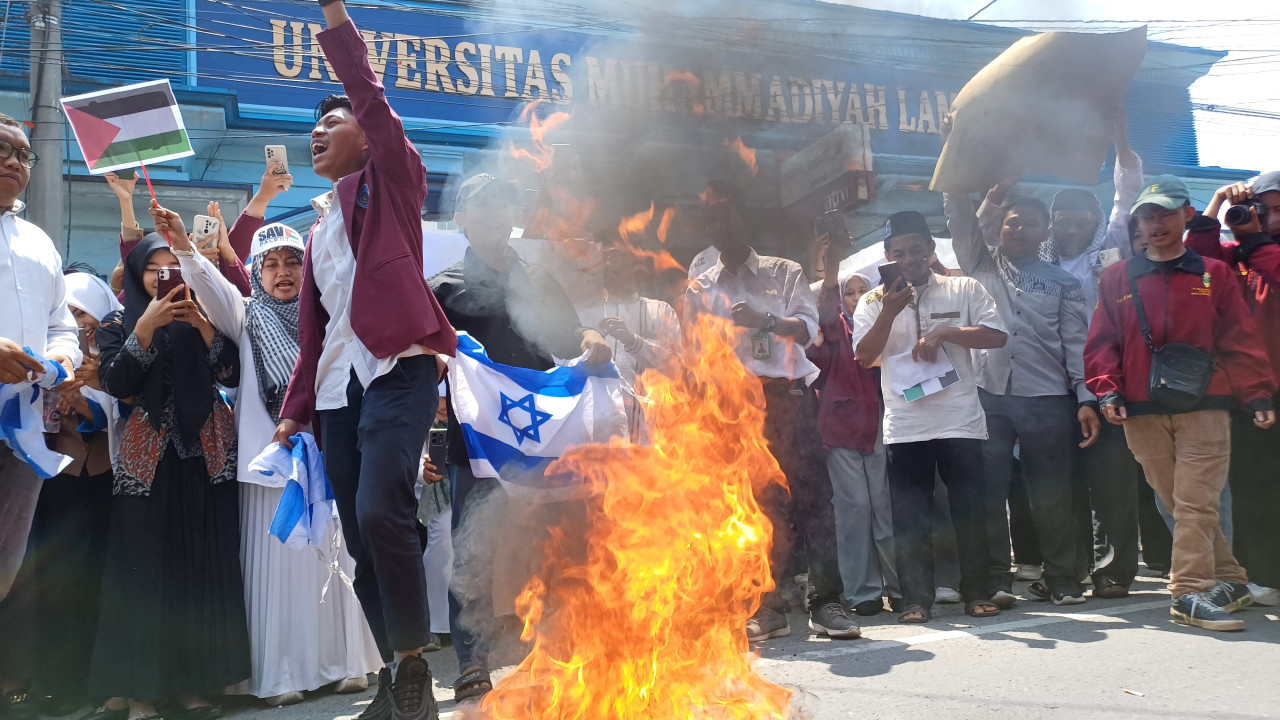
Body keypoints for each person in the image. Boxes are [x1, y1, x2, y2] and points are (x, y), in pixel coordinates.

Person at [267, 3, 460, 719]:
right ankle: (396, 675)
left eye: (332, 122)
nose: (318, 132)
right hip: (336, 394)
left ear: (366, 137)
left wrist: (332, 14)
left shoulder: (394, 184)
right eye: (313, 127)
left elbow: (373, 100)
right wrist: (293, 413)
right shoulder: (318, 230)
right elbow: (315, 335)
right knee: (357, 535)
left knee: (385, 508)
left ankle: (413, 666)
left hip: (401, 371)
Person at [172, 213, 383, 706]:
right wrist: (186, 248)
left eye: (293, 261)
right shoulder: (245, 316)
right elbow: (209, 285)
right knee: (280, 573)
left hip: (329, 459)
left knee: (333, 561)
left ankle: (346, 664)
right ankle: (281, 676)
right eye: (271, 265)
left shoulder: (329, 322)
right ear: (257, 272)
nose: (283, 272)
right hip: (272, 470)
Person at [429, 172, 611, 704]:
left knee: (554, 540)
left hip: (541, 440)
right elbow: (424, 365)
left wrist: (590, 336)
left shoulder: (537, 279)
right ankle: (473, 661)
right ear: (461, 218)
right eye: (480, 208)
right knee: (472, 553)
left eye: (502, 206)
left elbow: (565, 336)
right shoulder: (443, 288)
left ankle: (560, 647)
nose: (492, 217)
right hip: (478, 442)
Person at [1084, 175, 1277, 632]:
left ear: (1187, 215)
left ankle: (1187, 593)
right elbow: (1102, 340)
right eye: (1148, 216)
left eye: (1166, 214)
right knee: (1177, 501)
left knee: (1195, 500)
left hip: (1208, 403)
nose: (1156, 224)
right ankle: (1230, 577)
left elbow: (1238, 338)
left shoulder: (1215, 273)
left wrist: (1256, 392)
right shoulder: (1117, 277)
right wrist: (1106, 387)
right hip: (1139, 406)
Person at [685, 182, 860, 641]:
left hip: (787, 399)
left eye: (730, 218)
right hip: (734, 410)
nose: (722, 227)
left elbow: (807, 332)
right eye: (713, 221)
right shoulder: (700, 286)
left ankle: (826, 604)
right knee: (755, 508)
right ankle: (767, 606)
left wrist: (762, 321)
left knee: (814, 502)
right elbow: (694, 354)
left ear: (746, 224)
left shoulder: (783, 271)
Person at [86, 225, 249, 720]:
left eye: (169, 266)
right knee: (142, 573)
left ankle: (193, 685)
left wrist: (202, 328)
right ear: (139, 275)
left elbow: (232, 374)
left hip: (205, 453)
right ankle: (141, 692)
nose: (163, 275)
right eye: (154, 269)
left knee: (198, 566)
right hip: (145, 460)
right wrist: (145, 329)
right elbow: (116, 381)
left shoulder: (206, 316)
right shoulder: (120, 321)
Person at [851, 211, 1007, 624]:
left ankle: (978, 592)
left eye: (916, 250)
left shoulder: (963, 288)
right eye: (898, 253)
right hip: (906, 426)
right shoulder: (870, 302)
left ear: (930, 250)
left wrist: (947, 332)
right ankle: (916, 600)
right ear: (887, 256)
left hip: (959, 419)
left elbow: (997, 336)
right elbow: (864, 357)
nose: (908, 259)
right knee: (910, 515)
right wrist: (889, 311)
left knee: (970, 509)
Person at [945, 186, 1095, 607]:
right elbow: (959, 215)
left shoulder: (1063, 282)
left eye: (1030, 223)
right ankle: (996, 580)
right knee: (989, 492)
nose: (1020, 229)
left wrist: (1085, 398)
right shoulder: (980, 263)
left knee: (1051, 493)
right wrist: (982, 190)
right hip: (988, 397)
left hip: (1046, 398)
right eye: (1012, 222)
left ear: (1044, 230)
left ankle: (1063, 579)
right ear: (1000, 227)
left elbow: (1075, 343)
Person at [0, 271, 114, 719]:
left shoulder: (115, 350)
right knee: (45, 587)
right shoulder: (42, 359)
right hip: (53, 483)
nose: (79, 321)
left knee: (95, 588)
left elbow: (120, 413)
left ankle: (87, 685)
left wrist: (84, 395)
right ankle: (38, 682)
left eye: (84, 311)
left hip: (102, 478)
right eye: (71, 313)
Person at [1185, 171, 1280, 605]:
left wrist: (1255, 239)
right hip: (1252, 391)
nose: (1271, 219)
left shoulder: (1260, 253)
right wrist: (1219, 201)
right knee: (1254, 487)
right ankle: (1264, 574)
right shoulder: (1235, 257)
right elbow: (1194, 258)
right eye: (1265, 210)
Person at [0, 111, 80, 603]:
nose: (14, 162)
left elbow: (62, 324)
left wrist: (61, 358)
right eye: (1, 151)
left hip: (24, 428)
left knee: (7, 558)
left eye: (22, 155)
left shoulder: (38, 243)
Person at [809, 265, 900, 616]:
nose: (858, 297)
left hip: (879, 425)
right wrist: (831, 262)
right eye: (851, 292)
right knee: (855, 509)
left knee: (884, 505)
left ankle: (899, 587)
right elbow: (827, 311)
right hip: (841, 427)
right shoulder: (836, 328)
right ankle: (863, 594)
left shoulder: (882, 324)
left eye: (864, 291)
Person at [579, 246, 681, 439]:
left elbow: (676, 367)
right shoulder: (586, 317)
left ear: (635, 266)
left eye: (617, 256)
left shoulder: (661, 311)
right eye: (605, 258)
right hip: (598, 429)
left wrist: (634, 341)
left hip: (651, 429)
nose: (609, 263)